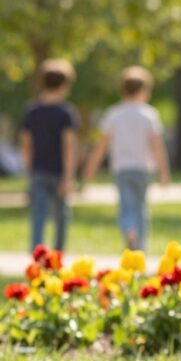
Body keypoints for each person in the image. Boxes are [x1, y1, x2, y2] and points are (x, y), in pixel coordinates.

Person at [83, 66, 171, 250]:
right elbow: (157, 147)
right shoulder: (149, 115)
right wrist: (164, 172)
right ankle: (140, 249)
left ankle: (129, 231)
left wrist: (91, 167)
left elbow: (102, 145)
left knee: (126, 207)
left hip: (122, 168)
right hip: (143, 169)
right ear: (144, 90)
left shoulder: (113, 114)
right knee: (141, 209)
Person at [19, 59, 80, 252]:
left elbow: (26, 144)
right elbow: (69, 147)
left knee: (39, 214)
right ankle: (58, 253)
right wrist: (69, 177)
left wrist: (29, 167)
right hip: (59, 171)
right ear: (64, 85)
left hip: (38, 169)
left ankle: (36, 254)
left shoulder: (32, 111)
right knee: (61, 216)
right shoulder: (66, 112)